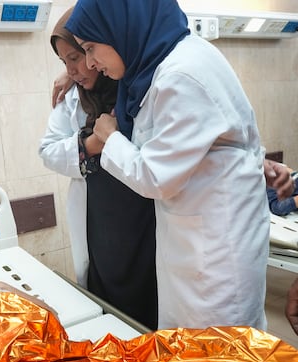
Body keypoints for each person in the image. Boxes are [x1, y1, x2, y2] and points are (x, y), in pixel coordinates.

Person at [64, 0, 273, 330]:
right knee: (193, 354)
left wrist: (109, 136)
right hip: (194, 238)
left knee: (218, 358)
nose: (90, 63)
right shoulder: (159, 65)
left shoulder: (180, 75)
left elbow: (156, 177)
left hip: (216, 252)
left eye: (90, 49)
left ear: (121, 27)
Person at [39, 8, 157, 330]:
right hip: (100, 219)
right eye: (64, 62)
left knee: (151, 302)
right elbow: (47, 151)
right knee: (107, 304)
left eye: (79, 55)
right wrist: (92, 143)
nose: (76, 69)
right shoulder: (73, 98)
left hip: (145, 214)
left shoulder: (138, 82)